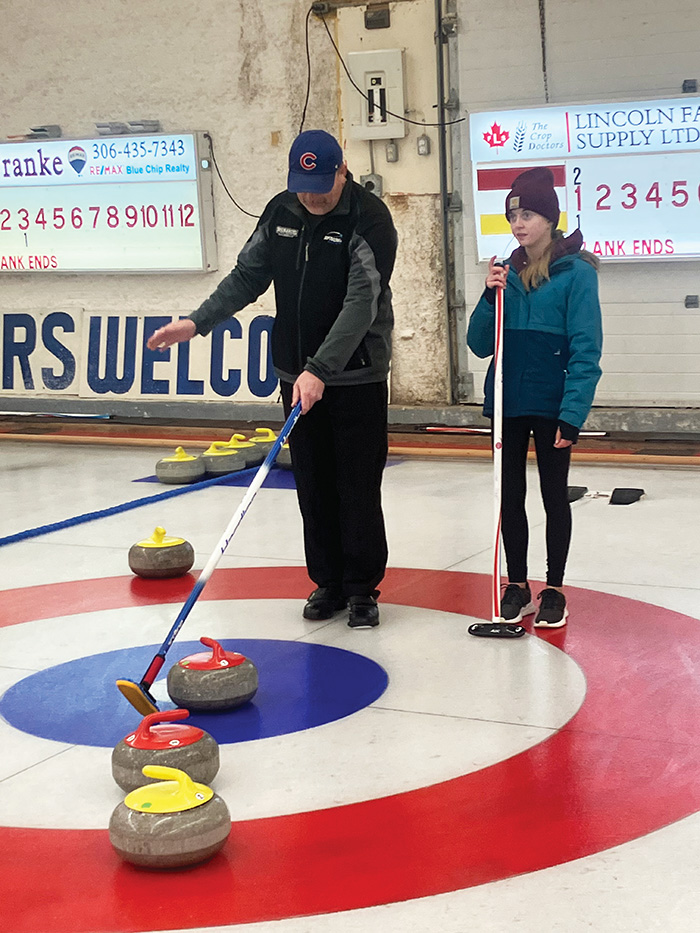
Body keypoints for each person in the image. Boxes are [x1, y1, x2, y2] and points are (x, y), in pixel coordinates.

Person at [147, 129, 397, 629]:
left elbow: (360, 304)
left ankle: (362, 589)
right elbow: (246, 276)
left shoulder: (370, 220)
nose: (312, 196)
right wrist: (197, 321)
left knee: (356, 484)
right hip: (295, 374)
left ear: (341, 172)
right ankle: (326, 583)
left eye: (321, 186)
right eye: (303, 185)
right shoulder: (281, 212)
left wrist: (321, 369)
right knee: (312, 482)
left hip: (355, 376)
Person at [467, 166, 602, 628]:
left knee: (552, 496)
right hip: (507, 402)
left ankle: (555, 589)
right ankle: (518, 585)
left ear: (548, 217)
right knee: (510, 495)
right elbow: (479, 344)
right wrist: (489, 297)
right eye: (512, 216)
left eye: (527, 214)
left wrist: (573, 414)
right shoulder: (506, 271)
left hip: (551, 403)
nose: (518, 224)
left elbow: (587, 350)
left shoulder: (576, 274)